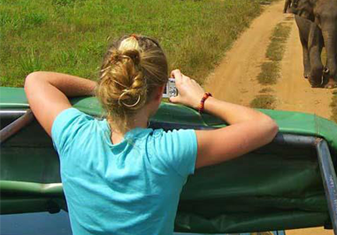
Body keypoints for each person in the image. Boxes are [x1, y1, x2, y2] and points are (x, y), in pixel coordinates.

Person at [23, 34, 279, 234]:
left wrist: (111, 89)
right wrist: (202, 99)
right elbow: (264, 126)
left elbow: (36, 80)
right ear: (160, 93)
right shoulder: (168, 152)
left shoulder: (73, 135)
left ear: (108, 83)